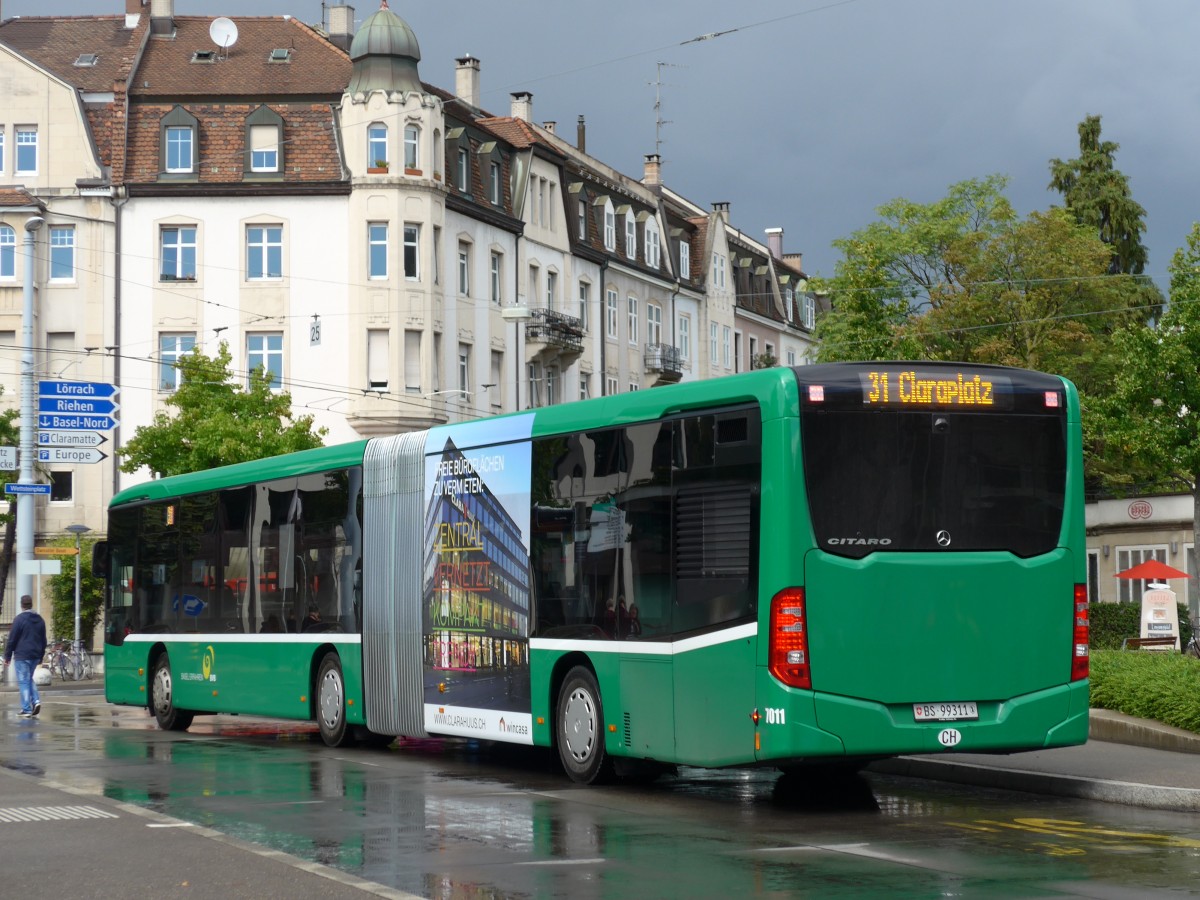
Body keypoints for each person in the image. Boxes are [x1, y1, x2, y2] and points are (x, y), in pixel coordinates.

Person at [3, 595, 48, 718]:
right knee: (28, 679)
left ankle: (26, 709)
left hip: (22, 655)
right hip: (35, 655)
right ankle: (36, 701)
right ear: (31, 604)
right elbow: (44, 640)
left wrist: (7, 657)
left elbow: (12, 639)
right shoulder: (40, 620)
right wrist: (41, 655)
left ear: (22, 605)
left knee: (23, 681)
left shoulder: (19, 619)